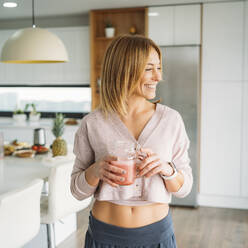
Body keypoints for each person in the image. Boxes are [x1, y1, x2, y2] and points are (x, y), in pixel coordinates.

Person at [70, 34, 193, 248]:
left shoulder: (171, 120)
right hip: (104, 236)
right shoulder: (92, 123)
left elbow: (184, 188)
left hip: (156, 236)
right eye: (149, 68)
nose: (158, 77)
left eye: (159, 68)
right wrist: (96, 171)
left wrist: (166, 169)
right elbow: (76, 191)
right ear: (124, 69)